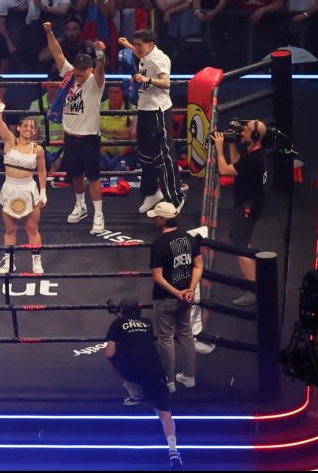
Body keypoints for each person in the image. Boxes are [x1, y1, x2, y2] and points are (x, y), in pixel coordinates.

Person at [43, 21, 107, 235]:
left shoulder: (96, 82)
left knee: (94, 177)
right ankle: (81, 206)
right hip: (70, 137)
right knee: (76, 176)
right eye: (77, 69)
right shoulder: (70, 75)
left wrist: (99, 52)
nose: (78, 73)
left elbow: (101, 67)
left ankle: (99, 215)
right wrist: (50, 32)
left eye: (82, 70)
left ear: (89, 69)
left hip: (89, 137)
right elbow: (57, 53)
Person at [105, 297, 184, 469]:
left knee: (113, 358)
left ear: (121, 309)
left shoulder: (117, 324)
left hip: (131, 369)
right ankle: (173, 451)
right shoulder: (147, 323)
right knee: (164, 413)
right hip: (154, 370)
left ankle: (133, 393)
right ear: (139, 308)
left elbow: (109, 353)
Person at [210, 121, 267, 306]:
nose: (242, 132)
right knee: (242, 241)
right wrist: (231, 143)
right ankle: (256, 280)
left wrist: (219, 148)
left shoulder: (255, 159)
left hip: (247, 207)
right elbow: (237, 165)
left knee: (240, 245)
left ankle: (253, 290)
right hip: (247, 204)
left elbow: (225, 170)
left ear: (256, 136)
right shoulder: (252, 154)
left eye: (246, 130)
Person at [147, 201, 202, 393]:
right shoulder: (189, 238)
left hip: (166, 297)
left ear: (163, 220)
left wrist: (177, 292)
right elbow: (198, 265)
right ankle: (189, 377)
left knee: (166, 338)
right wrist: (190, 289)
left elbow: (157, 277)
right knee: (186, 334)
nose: (153, 219)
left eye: (156, 217)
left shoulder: (159, 244)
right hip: (186, 296)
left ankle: (168, 381)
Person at [0, 94, 48, 274]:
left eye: (32, 127)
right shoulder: (10, 142)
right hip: (10, 188)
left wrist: (44, 192)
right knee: (10, 229)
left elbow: (42, 171)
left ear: (35, 130)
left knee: (32, 228)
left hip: (29, 190)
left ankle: (36, 262)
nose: (28, 129)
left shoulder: (38, 149)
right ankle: (9, 262)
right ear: (19, 128)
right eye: (25, 126)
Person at [131, 29, 184, 214]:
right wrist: (127, 46)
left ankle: (175, 198)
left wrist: (147, 79)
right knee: (145, 156)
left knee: (164, 157)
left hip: (157, 112)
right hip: (145, 110)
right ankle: (151, 193)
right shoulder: (147, 53)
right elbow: (140, 50)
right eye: (134, 44)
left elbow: (167, 82)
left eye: (139, 45)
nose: (136, 48)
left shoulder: (158, 58)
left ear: (151, 45)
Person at [100, 85, 137, 170]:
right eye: (110, 92)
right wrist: (105, 157)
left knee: (120, 169)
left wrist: (105, 133)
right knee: (100, 167)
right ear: (107, 93)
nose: (113, 95)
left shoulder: (133, 110)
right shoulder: (99, 108)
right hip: (103, 152)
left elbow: (133, 139)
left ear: (122, 93)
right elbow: (94, 135)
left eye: (116, 92)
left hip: (126, 153)